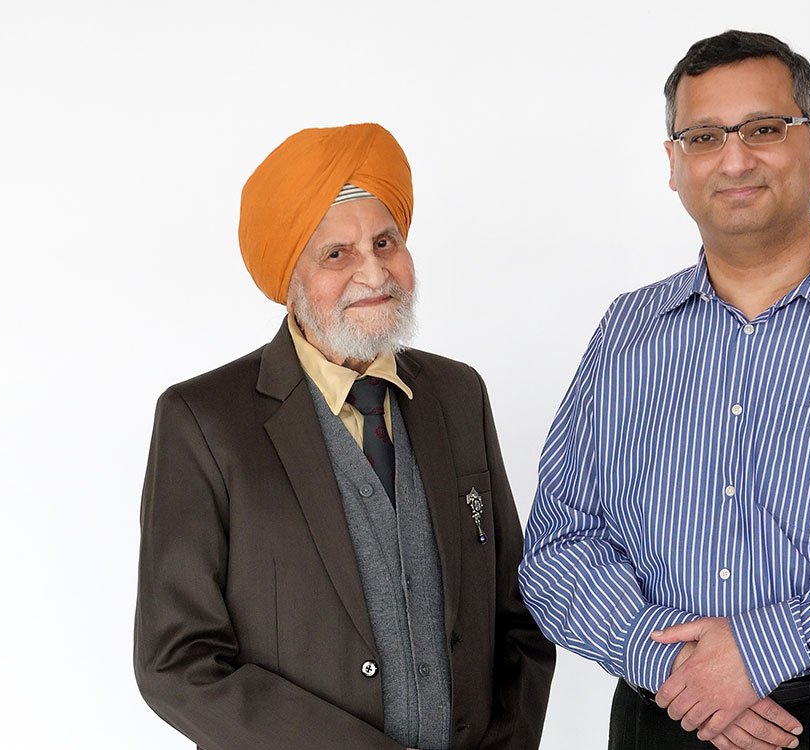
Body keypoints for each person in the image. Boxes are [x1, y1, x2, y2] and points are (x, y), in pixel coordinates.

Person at [520, 31, 810, 750]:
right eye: (705, 136)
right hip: (662, 717)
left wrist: (760, 650)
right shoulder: (626, 332)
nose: (735, 159)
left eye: (764, 129)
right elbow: (559, 545)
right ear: (675, 165)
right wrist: (679, 666)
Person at [134, 123, 554, 750]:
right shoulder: (203, 421)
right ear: (290, 276)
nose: (374, 271)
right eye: (337, 253)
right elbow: (178, 662)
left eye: (387, 242)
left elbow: (518, 614)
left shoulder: (458, 394)